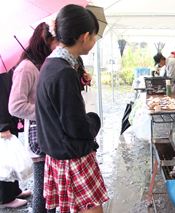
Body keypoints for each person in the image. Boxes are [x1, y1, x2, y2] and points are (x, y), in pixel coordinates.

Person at [36, 4, 109, 213]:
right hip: (73, 155)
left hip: (58, 152)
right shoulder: (63, 72)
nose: (94, 41)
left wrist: (79, 78)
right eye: (94, 36)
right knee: (92, 210)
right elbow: (77, 127)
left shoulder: (53, 64)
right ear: (84, 37)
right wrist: (94, 117)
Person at [8, 22, 57, 213]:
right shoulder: (26, 67)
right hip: (38, 135)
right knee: (42, 191)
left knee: (51, 190)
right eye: (56, 41)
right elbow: (15, 106)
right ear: (46, 41)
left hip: (49, 132)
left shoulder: (43, 63)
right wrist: (46, 111)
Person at [0, 69, 31, 208]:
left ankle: (14, 191)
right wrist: (2, 125)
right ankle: (5, 198)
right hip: (3, 120)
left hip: (8, 117)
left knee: (11, 157)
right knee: (5, 160)